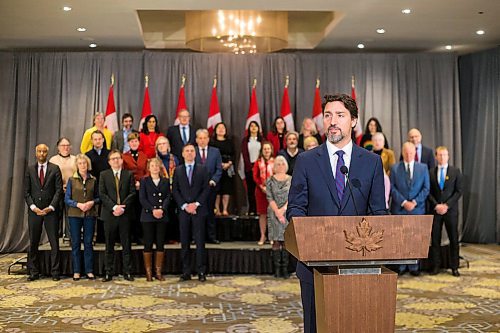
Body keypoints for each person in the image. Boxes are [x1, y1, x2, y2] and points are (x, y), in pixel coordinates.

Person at [287, 94, 387, 333]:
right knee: (315, 326)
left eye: (340, 115)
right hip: (314, 265)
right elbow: (296, 207)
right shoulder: (306, 160)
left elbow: (378, 211)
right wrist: (307, 241)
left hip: (359, 265)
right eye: (328, 115)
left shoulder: (371, 162)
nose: (332, 121)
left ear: (353, 121)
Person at [24, 144, 63, 281]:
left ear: (47, 153)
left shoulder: (55, 168)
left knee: (54, 243)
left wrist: (51, 206)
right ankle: (34, 272)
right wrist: (33, 207)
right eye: (39, 151)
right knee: (33, 242)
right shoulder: (29, 169)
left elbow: (59, 190)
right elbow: (26, 192)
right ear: (36, 153)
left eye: (44, 151)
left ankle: (55, 272)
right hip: (35, 212)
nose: (42, 154)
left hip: (51, 211)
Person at [390, 141, 430, 276]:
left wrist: (414, 202)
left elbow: (426, 188)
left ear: (415, 153)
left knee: (415, 238)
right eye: (406, 152)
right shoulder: (394, 168)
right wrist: (403, 202)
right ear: (402, 153)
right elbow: (392, 188)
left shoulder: (423, 168)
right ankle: (401, 267)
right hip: (400, 209)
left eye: (411, 152)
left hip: (417, 209)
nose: (408, 155)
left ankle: (414, 267)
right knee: (400, 238)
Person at [173, 144, 210, 282]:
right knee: (184, 242)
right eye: (186, 151)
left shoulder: (203, 169)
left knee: (200, 242)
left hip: (198, 210)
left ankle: (201, 271)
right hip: (183, 211)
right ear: (182, 154)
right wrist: (184, 205)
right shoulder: (178, 170)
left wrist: (196, 204)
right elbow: (175, 190)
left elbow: (206, 189)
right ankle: (186, 271)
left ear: (195, 154)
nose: (189, 153)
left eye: (191, 151)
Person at [99, 150, 136, 282]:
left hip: (125, 214)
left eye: (118, 158)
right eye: (113, 159)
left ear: (121, 160)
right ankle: (109, 272)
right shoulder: (104, 175)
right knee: (109, 244)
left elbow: (132, 193)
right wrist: (114, 207)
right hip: (109, 214)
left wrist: (122, 207)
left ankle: (127, 271)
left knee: (126, 244)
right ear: (109, 162)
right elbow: (102, 194)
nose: (115, 161)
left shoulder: (128, 175)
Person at [428, 146, 463, 277]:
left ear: (448, 156)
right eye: (440, 155)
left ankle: (454, 267)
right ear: (436, 157)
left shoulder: (455, 171)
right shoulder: (431, 172)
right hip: (435, 211)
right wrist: (436, 205)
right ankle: (436, 266)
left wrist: (447, 205)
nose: (442, 157)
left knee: (454, 239)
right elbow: (429, 192)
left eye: (445, 155)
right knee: (435, 240)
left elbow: (459, 191)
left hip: (450, 211)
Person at [64, 154, 99, 281]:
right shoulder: (71, 180)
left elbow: (98, 197)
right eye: (80, 163)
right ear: (77, 166)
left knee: (88, 243)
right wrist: (78, 204)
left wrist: (92, 203)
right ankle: (77, 271)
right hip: (75, 215)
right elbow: (67, 199)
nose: (83, 165)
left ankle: (89, 270)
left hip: (89, 215)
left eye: (84, 163)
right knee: (76, 243)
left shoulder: (93, 180)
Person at [139, 157, 171, 281]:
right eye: (152, 166)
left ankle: (158, 271)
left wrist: (162, 209)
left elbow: (168, 196)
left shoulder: (165, 181)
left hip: (162, 215)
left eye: (157, 165)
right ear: (149, 168)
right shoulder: (144, 181)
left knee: (160, 243)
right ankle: (148, 272)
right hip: (148, 216)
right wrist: (153, 210)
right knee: (148, 243)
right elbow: (142, 198)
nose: (155, 168)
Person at [195, 129, 222, 244]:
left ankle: (211, 237)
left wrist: (213, 180)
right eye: (200, 138)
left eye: (204, 138)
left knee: (210, 212)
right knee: (197, 214)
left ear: (208, 139)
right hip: (196, 189)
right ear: (196, 140)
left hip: (211, 188)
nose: (202, 140)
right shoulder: (192, 151)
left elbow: (219, 169)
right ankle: (196, 237)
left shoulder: (215, 152)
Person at [266, 156, 291, 278]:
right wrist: (277, 211)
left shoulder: (291, 179)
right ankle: (276, 269)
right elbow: (269, 197)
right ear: (274, 166)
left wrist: (283, 210)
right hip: (273, 212)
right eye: (278, 164)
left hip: (287, 212)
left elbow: (292, 196)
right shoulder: (270, 180)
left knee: (286, 240)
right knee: (276, 241)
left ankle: (285, 269)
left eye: (282, 163)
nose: (280, 166)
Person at [122, 132, 148, 243]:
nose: (134, 143)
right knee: (130, 212)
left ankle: (140, 236)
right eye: (132, 141)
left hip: (142, 188)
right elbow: (124, 172)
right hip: (130, 188)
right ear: (128, 143)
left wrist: (141, 182)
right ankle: (131, 236)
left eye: (136, 141)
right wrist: (134, 183)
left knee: (140, 212)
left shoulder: (144, 155)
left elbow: (147, 172)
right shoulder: (124, 156)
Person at [49, 137, 76, 239]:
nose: (65, 147)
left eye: (67, 145)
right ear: (58, 148)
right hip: (57, 191)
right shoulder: (53, 160)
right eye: (63, 145)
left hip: (72, 192)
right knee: (57, 215)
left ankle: (70, 237)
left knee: (71, 216)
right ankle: (56, 237)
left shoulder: (75, 159)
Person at [85, 130, 110, 243]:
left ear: (103, 140)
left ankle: (106, 237)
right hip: (94, 186)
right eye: (95, 139)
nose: (97, 141)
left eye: (99, 139)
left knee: (106, 211)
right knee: (95, 212)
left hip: (108, 187)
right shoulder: (88, 155)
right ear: (92, 141)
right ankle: (95, 237)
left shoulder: (109, 154)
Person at [156, 136, 180, 243]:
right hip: (159, 191)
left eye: (164, 144)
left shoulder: (174, 159)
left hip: (174, 190)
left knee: (173, 214)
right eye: (159, 144)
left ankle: (173, 237)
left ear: (168, 146)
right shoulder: (154, 160)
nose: (162, 146)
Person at [210, 122, 235, 216]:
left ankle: (225, 209)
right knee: (217, 189)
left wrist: (229, 163)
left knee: (226, 189)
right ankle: (217, 209)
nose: (221, 129)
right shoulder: (212, 142)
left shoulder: (229, 142)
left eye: (223, 128)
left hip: (227, 169)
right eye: (219, 128)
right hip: (216, 168)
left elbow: (233, 154)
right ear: (215, 130)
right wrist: (219, 164)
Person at [253, 141, 274, 245]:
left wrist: (270, 188)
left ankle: (271, 236)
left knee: (271, 214)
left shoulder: (274, 162)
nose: (266, 151)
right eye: (265, 149)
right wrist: (262, 186)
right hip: (260, 192)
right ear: (262, 150)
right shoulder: (257, 162)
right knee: (262, 214)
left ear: (271, 150)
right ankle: (262, 235)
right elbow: (255, 177)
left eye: (268, 149)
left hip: (273, 192)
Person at [241, 121, 263, 215]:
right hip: (249, 168)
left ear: (258, 128)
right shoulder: (245, 140)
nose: (253, 128)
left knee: (259, 190)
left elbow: (264, 153)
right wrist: (251, 167)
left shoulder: (262, 139)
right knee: (251, 191)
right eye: (251, 126)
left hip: (260, 168)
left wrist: (258, 166)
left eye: (255, 126)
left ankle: (259, 209)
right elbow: (244, 155)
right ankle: (252, 209)